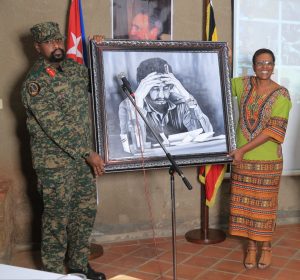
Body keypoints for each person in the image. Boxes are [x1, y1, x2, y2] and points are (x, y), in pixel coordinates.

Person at [21, 22, 106, 280]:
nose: (56, 46)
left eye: (58, 40)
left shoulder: (72, 69)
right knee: (56, 220)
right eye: (49, 42)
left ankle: (79, 267)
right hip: (54, 165)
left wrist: (100, 51)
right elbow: (55, 127)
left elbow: (101, 82)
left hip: (81, 162)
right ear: (38, 47)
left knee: (84, 213)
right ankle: (54, 274)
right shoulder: (35, 83)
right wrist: (88, 153)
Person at [229, 48, 292, 269]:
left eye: (269, 63)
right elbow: (221, 83)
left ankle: (265, 247)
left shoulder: (282, 94)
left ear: (273, 66)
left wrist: (242, 150)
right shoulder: (243, 84)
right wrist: (225, 59)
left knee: (264, 208)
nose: (264, 67)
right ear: (253, 65)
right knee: (245, 207)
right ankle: (251, 248)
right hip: (242, 160)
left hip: (267, 161)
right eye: (260, 63)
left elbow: (273, 132)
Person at [118, 57, 213, 153]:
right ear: (142, 86)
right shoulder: (126, 106)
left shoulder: (182, 101)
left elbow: (205, 136)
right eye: (155, 88)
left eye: (166, 88)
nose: (162, 95)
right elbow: (133, 148)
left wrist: (186, 96)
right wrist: (138, 103)